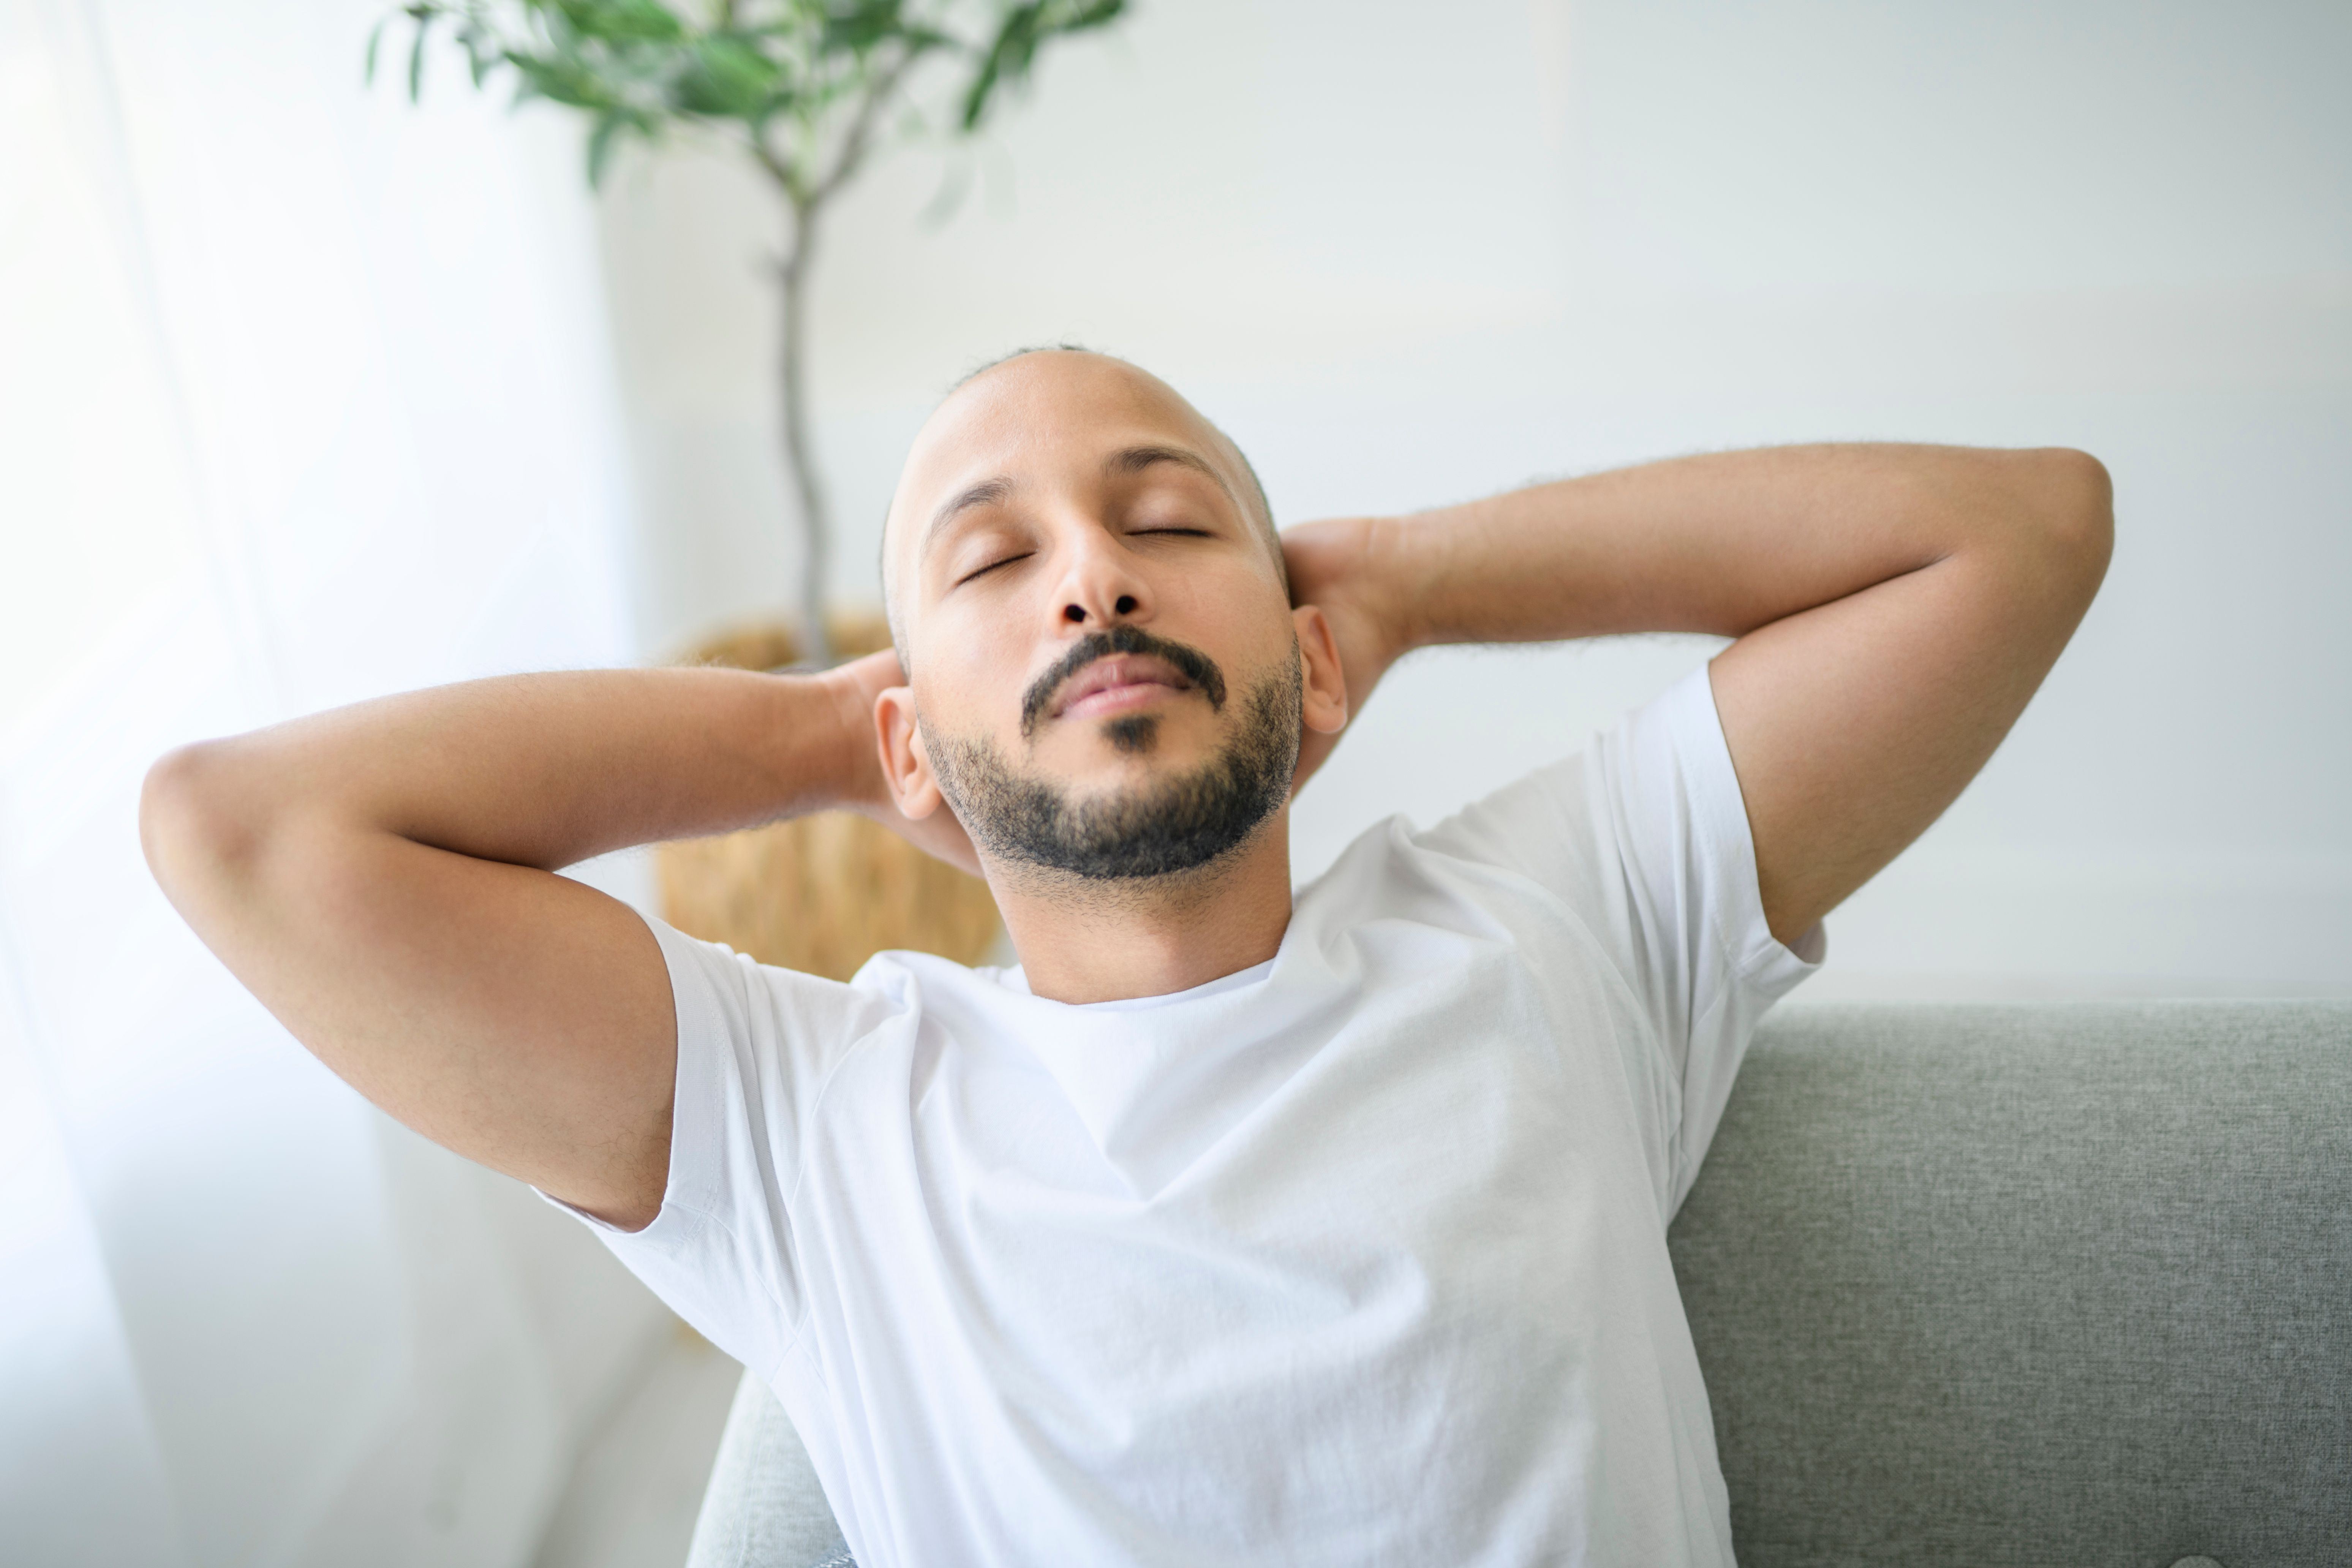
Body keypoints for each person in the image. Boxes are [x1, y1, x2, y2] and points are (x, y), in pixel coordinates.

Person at [141, 348, 2112, 1566]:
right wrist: (849, 734)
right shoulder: (816, 1125)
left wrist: (1416, 577)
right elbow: (243, 837)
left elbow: (2020, 537)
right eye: (994, 562)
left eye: (1167, 519)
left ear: (1306, 653)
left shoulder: (1560, 920)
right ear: (914, 732)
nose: (1093, 567)